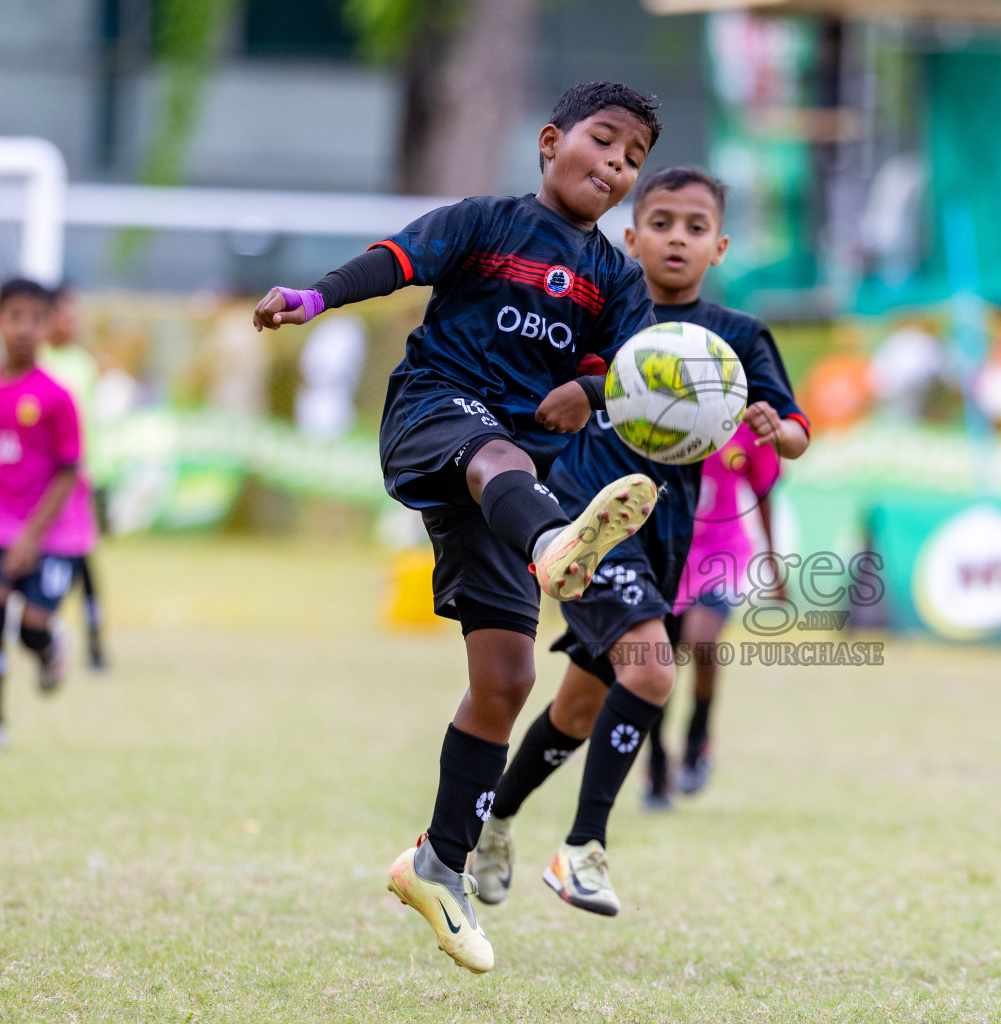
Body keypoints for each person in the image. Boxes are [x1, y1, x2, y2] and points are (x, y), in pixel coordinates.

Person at [251, 82, 663, 975]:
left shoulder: (618, 278)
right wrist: (316, 298)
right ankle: (558, 543)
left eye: (635, 159)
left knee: (508, 679)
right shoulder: (484, 222)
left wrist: (584, 393)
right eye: (603, 141)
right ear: (550, 142)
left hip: (514, 480)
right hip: (438, 419)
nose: (618, 166)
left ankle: (438, 864)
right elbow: (396, 260)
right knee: (498, 461)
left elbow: (626, 371)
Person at [468, 166, 810, 916]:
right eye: (661, 223)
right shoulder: (598, 317)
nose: (677, 239)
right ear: (631, 235)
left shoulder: (739, 338)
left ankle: (490, 820)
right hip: (586, 524)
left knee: (580, 709)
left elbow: (794, 433)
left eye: (695, 227)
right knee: (654, 672)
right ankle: (583, 849)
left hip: (666, 538)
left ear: (719, 246)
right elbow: (539, 393)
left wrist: (772, 427)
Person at [0, 279, 86, 757]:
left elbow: (67, 474)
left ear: (46, 326)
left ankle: (49, 642)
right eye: (15, 317)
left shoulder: (57, 397)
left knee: (29, 627)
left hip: (53, 533)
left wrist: (31, 538)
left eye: (36, 319)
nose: (25, 329)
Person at [642, 418, 784, 806]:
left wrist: (773, 563)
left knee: (702, 642)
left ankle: (697, 740)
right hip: (667, 553)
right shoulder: (657, 415)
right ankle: (655, 765)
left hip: (721, 553)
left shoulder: (744, 426)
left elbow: (765, 491)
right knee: (657, 665)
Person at [39, 285, 106, 671]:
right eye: (66, 314)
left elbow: (89, 427)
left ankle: (94, 645)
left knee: (83, 566)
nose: (73, 322)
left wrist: (93, 472)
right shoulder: (36, 361)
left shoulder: (83, 364)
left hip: (75, 481)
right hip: (36, 484)